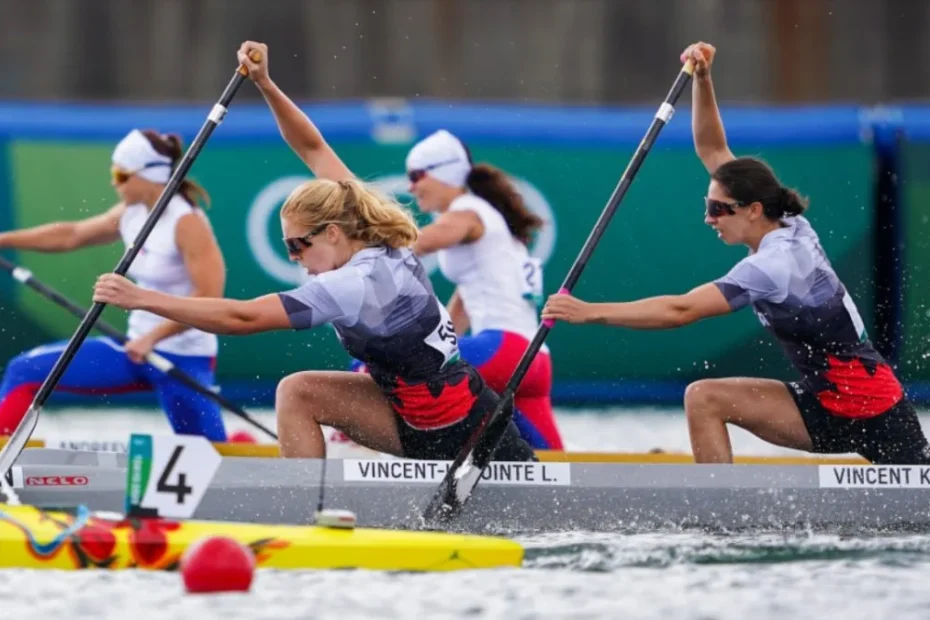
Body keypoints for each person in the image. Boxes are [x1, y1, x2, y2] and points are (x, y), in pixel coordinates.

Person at [91, 40, 537, 463]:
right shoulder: (375, 227)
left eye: (298, 245)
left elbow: (241, 318)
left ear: (334, 233)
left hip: (461, 430)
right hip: (422, 414)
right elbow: (312, 146)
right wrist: (265, 83)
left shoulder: (355, 282)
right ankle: (309, 501)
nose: (293, 257)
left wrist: (141, 298)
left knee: (297, 390)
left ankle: (306, 517)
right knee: (297, 391)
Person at [540, 41, 930, 466]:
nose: (709, 219)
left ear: (753, 210)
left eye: (717, 209)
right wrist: (703, 79)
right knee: (704, 398)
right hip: (825, 404)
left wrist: (590, 312)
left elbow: (681, 310)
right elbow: (711, 150)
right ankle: (720, 513)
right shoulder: (790, 223)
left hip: (876, 414)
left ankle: (721, 508)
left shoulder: (769, 267)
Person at [0, 129, 229, 441]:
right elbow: (71, 235)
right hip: (132, 351)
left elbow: (209, 297)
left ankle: (241, 446)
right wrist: (3, 240)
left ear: (149, 174)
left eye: (121, 174)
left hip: (183, 356)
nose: (113, 182)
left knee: (209, 452)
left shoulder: (187, 222)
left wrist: (154, 337)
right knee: (22, 370)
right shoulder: (131, 212)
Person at [349, 129, 564, 451]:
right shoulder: (494, 221)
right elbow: (460, 308)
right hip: (534, 362)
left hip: (503, 352)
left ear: (443, 173)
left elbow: (418, 243)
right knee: (556, 470)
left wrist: (363, 255)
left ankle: (346, 449)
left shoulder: (467, 213)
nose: (410, 186)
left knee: (370, 366)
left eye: (416, 176)